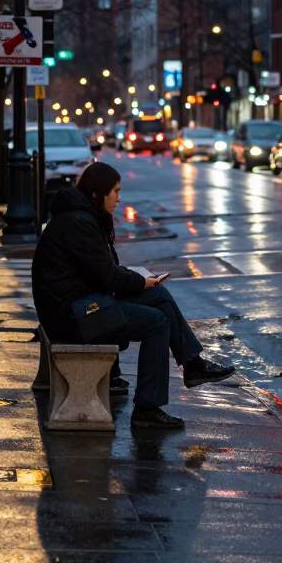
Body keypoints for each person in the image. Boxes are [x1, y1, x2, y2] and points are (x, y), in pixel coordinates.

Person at [32, 161, 234, 429]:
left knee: (159, 296)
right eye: (115, 191)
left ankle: (193, 365)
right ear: (97, 193)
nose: (118, 198)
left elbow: (105, 270)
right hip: (72, 316)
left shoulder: (82, 217)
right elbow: (107, 276)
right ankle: (147, 409)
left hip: (80, 305)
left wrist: (145, 284)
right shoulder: (79, 222)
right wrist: (140, 282)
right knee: (156, 322)